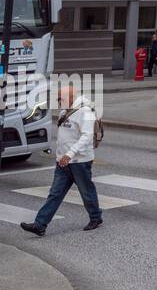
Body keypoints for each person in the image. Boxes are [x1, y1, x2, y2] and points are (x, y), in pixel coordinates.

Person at [20, 83, 104, 236]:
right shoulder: (65, 111)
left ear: (70, 97)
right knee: (55, 194)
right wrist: (60, 156)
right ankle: (40, 224)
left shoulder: (85, 111)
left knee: (86, 192)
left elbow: (87, 136)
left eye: (60, 98)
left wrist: (69, 154)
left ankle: (96, 217)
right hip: (63, 162)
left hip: (79, 161)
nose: (58, 101)